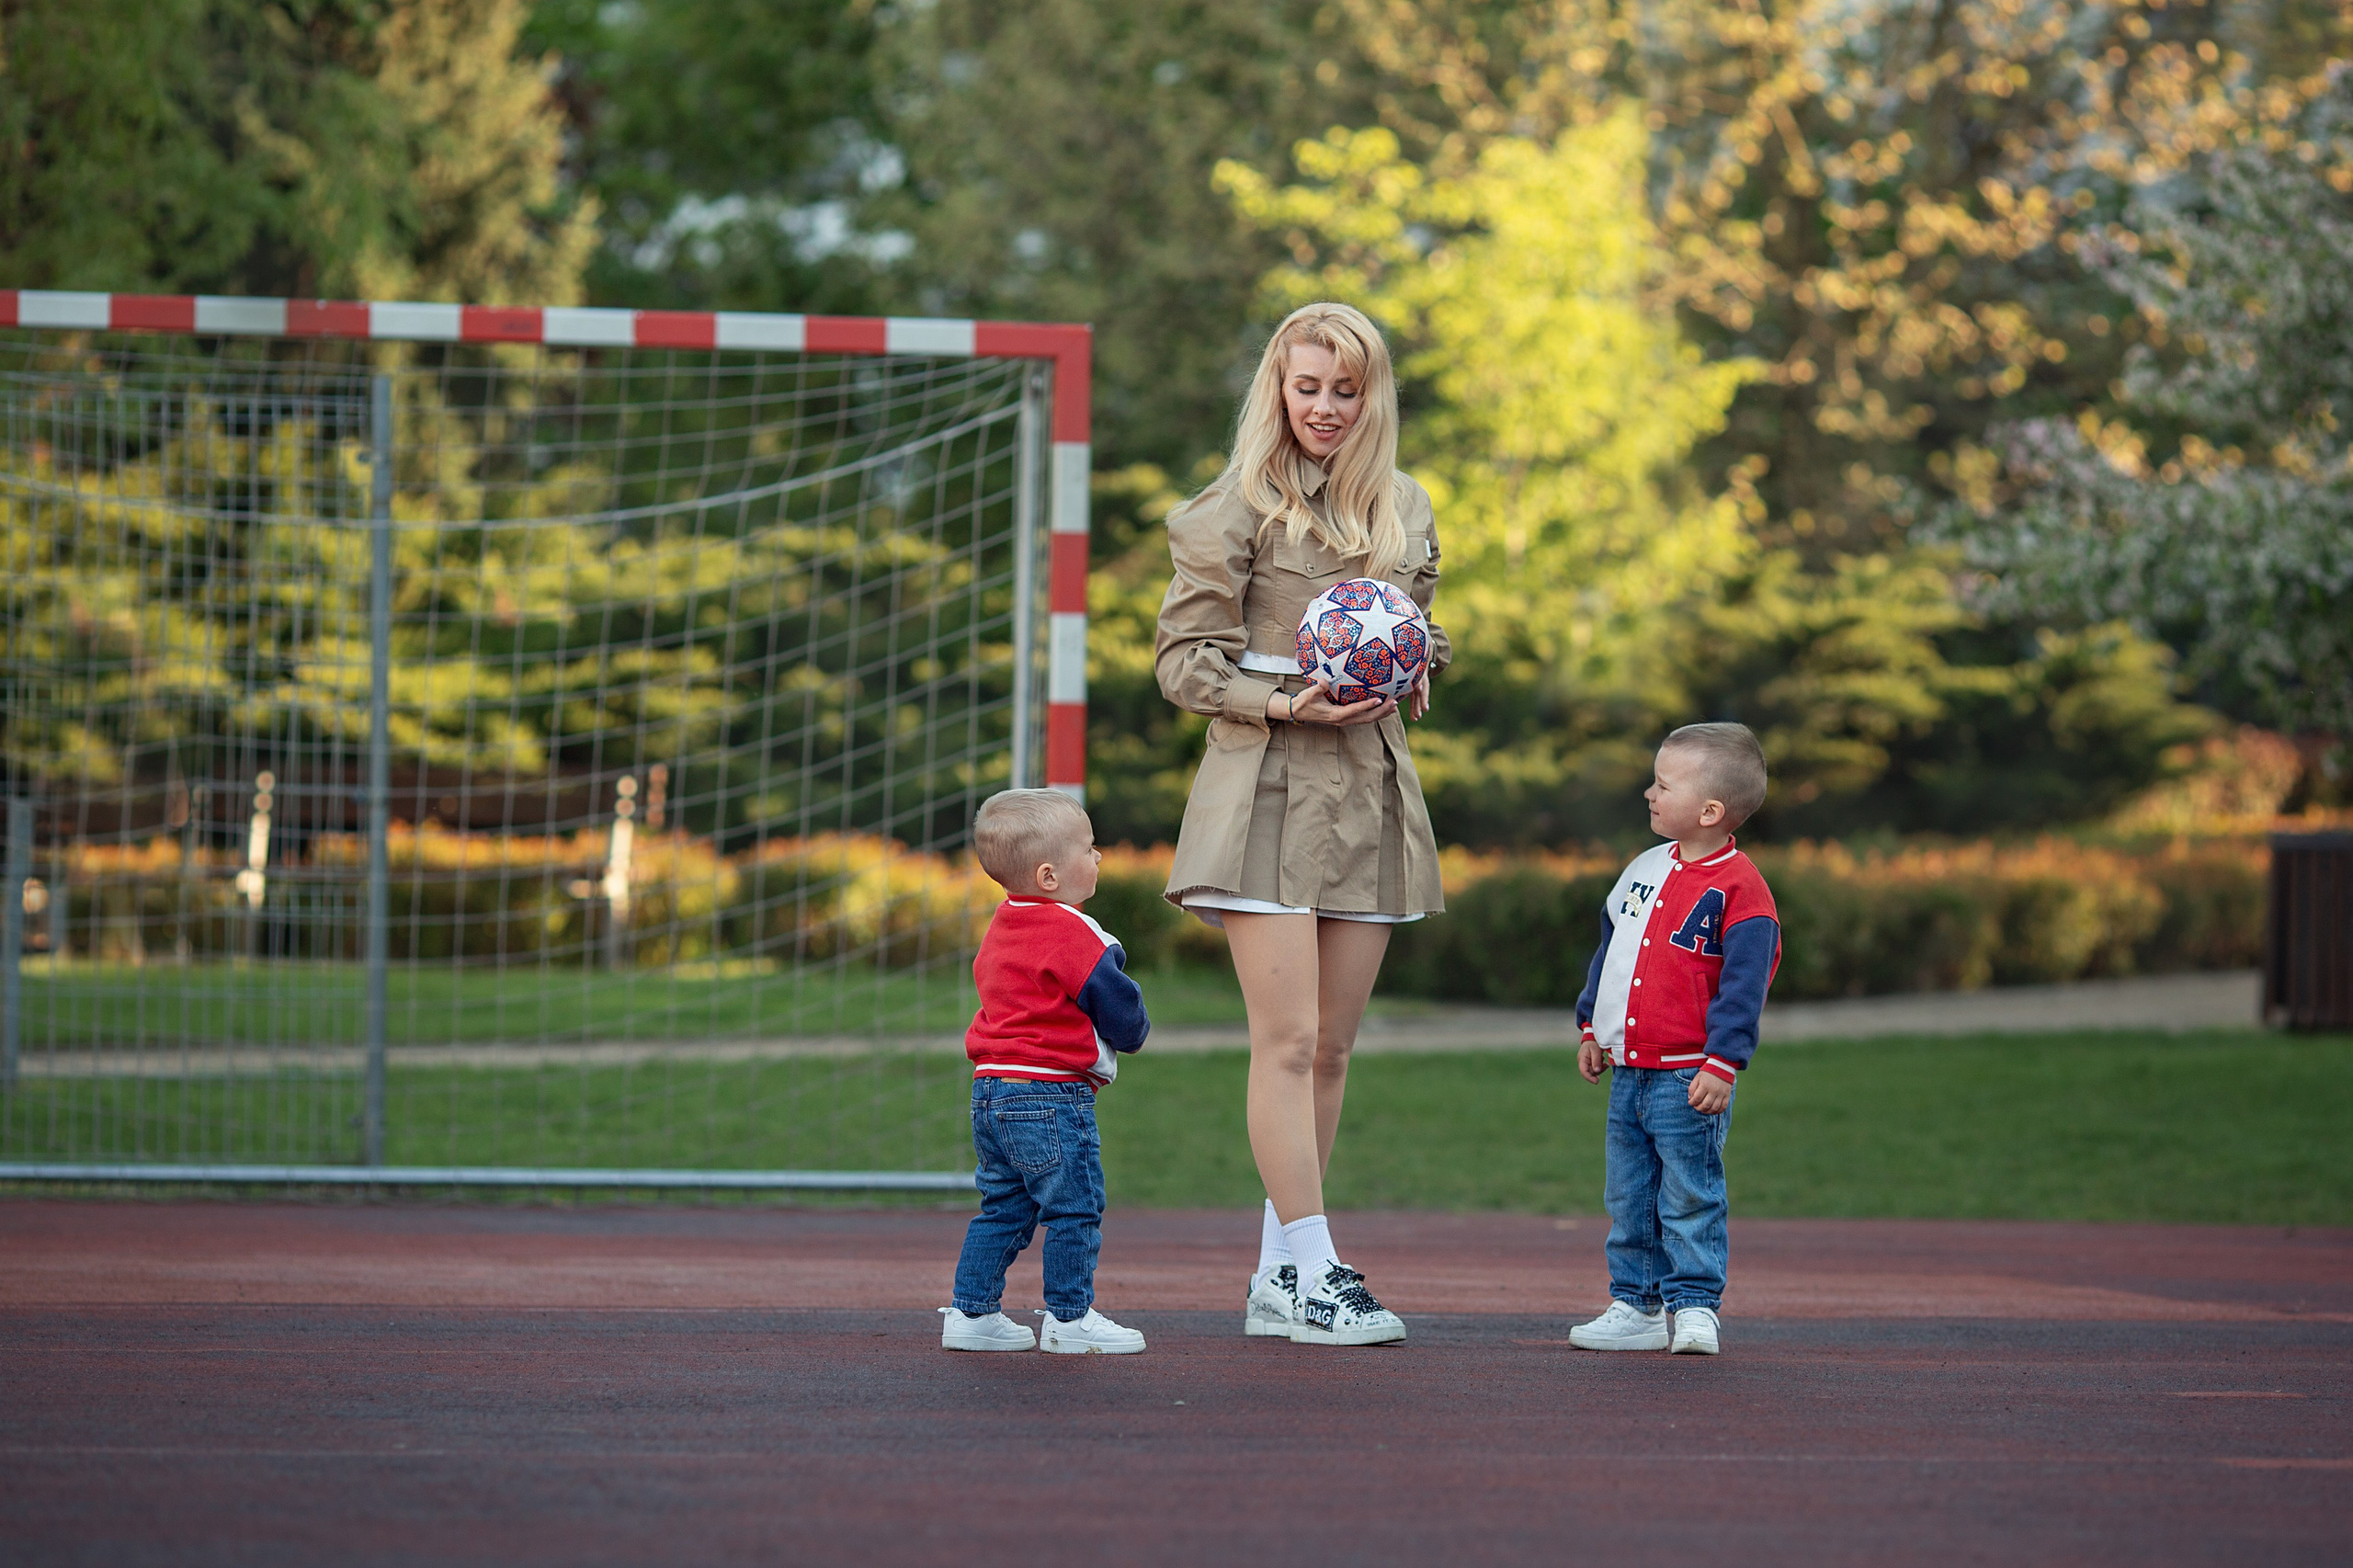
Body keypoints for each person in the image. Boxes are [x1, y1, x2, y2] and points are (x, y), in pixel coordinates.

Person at [1154, 301, 1448, 1347]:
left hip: (1367, 783)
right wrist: (1282, 701)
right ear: (1276, 388)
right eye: (1305, 385)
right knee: (1282, 1042)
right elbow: (1183, 663)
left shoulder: (1407, 506)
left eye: (1344, 388)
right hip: (1265, 781)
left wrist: (1414, 655)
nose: (1323, 406)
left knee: (1329, 1049)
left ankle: (1281, 1274)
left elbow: (1418, 620)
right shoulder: (1230, 508)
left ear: (1374, 397)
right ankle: (1321, 1269)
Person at [1568, 722, 1781, 1357]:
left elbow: (1747, 984)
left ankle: (1695, 1308)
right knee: (1629, 1195)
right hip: (1628, 1070)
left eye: (1663, 785)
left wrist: (1724, 1062)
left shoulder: (1743, 890)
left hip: (1690, 1076)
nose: (1648, 794)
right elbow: (1612, 956)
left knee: (1689, 1193)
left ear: (1710, 811)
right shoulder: (1641, 870)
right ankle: (1634, 1304)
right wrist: (1592, 1027)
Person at [940, 789, 1152, 1354]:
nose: (1099, 856)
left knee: (1003, 1206)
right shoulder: (1076, 932)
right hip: (1051, 1094)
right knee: (1074, 1206)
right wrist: (1133, 1029)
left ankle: (971, 1312)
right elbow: (1121, 1012)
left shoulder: (1002, 925)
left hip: (990, 1089)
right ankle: (1069, 1317)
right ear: (1050, 875)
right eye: (1089, 847)